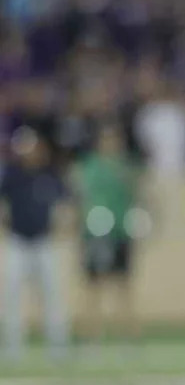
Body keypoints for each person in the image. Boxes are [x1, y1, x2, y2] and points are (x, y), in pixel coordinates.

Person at [0, 126, 70, 360]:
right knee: (12, 295)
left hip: (44, 241)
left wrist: (63, 226)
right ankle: (13, 347)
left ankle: (58, 346)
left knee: (52, 294)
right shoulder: (12, 174)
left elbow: (65, 202)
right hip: (17, 240)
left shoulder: (50, 174)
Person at [72, 122, 143, 341]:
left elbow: (137, 193)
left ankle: (128, 335)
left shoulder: (127, 166)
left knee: (123, 284)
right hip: (95, 233)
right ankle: (91, 335)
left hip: (120, 231)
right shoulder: (89, 166)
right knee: (94, 286)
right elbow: (80, 195)